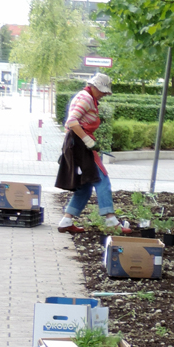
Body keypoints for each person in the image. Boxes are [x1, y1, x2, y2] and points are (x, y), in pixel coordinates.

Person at [54, 72, 128, 234]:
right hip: (81, 147)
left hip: (77, 145)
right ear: (94, 87)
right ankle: (110, 220)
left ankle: (66, 221)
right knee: (101, 179)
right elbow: (72, 121)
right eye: (102, 91)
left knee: (85, 186)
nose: (104, 94)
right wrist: (87, 140)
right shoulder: (86, 99)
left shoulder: (87, 97)